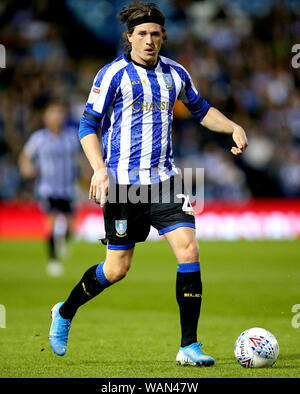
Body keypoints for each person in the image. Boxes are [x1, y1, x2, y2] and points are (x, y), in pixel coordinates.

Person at [49, 1, 248, 366]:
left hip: (165, 181)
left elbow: (202, 111)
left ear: (163, 37)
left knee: (189, 250)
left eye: (155, 34)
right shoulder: (112, 75)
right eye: (141, 34)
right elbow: (87, 126)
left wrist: (232, 126)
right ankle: (65, 311)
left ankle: (189, 346)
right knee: (116, 269)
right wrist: (98, 168)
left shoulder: (176, 74)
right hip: (124, 185)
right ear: (129, 37)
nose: (149, 40)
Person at [19, 100, 80, 277]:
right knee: (52, 221)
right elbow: (25, 157)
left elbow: (78, 157)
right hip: (48, 188)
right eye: (53, 113)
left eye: (59, 113)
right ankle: (53, 261)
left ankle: (62, 242)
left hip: (67, 188)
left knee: (70, 226)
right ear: (46, 117)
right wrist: (26, 167)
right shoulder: (38, 138)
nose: (56, 117)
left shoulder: (71, 136)